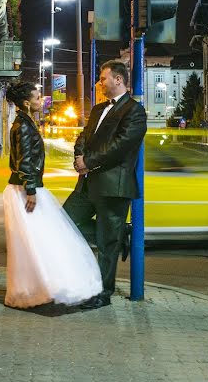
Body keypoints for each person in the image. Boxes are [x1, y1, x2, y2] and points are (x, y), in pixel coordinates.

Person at [3, 82, 102, 309]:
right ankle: (37, 287)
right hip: (26, 190)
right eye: (38, 97)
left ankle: (39, 286)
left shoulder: (25, 123)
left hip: (28, 187)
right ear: (27, 103)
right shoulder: (23, 126)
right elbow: (24, 161)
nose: (42, 100)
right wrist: (30, 190)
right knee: (37, 241)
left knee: (36, 241)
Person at [63, 60, 147, 310]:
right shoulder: (98, 109)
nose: (100, 83)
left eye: (103, 78)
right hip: (88, 183)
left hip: (114, 185)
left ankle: (103, 293)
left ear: (118, 80)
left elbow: (121, 146)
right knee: (64, 222)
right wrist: (80, 157)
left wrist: (89, 162)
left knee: (106, 243)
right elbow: (84, 136)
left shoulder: (134, 111)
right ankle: (119, 236)